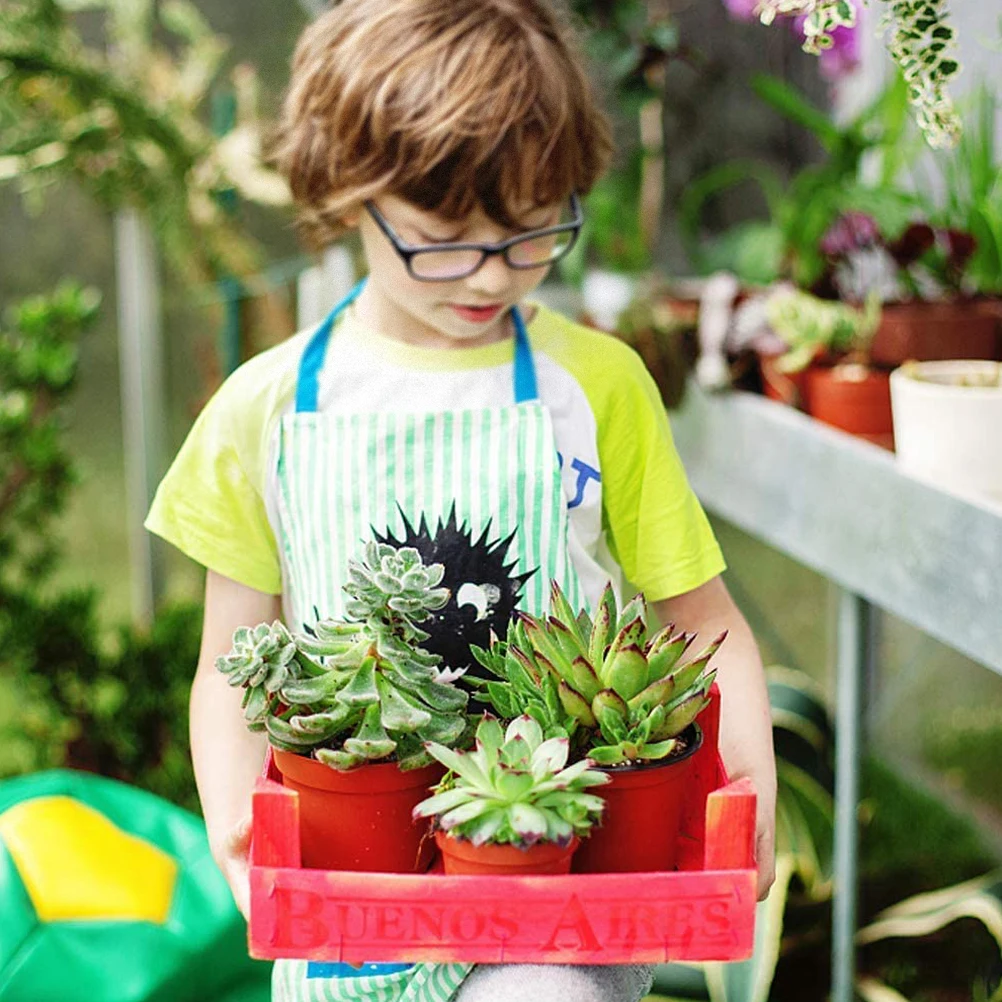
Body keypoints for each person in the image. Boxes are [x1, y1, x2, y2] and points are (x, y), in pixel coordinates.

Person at [145, 1, 777, 1000]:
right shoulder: (261, 409)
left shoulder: (598, 386)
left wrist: (747, 795)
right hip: (354, 898)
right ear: (348, 194)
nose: (493, 273)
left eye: (533, 232)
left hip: (562, 896)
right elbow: (233, 662)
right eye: (446, 239)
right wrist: (235, 822)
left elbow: (703, 625)